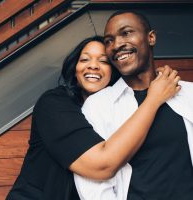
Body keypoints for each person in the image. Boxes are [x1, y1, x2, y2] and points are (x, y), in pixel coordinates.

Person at [6, 36, 179, 200]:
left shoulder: (118, 110)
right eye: (85, 59)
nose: (93, 66)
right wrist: (154, 99)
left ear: (114, 72)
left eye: (103, 61)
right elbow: (101, 166)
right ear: (75, 70)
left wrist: (154, 81)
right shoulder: (54, 104)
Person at [74, 11, 193, 200]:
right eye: (109, 40)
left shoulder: (189, 93)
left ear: (151, 37)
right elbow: (94, 189)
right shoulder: (98, 105)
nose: (117, 45)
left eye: (126, 33)